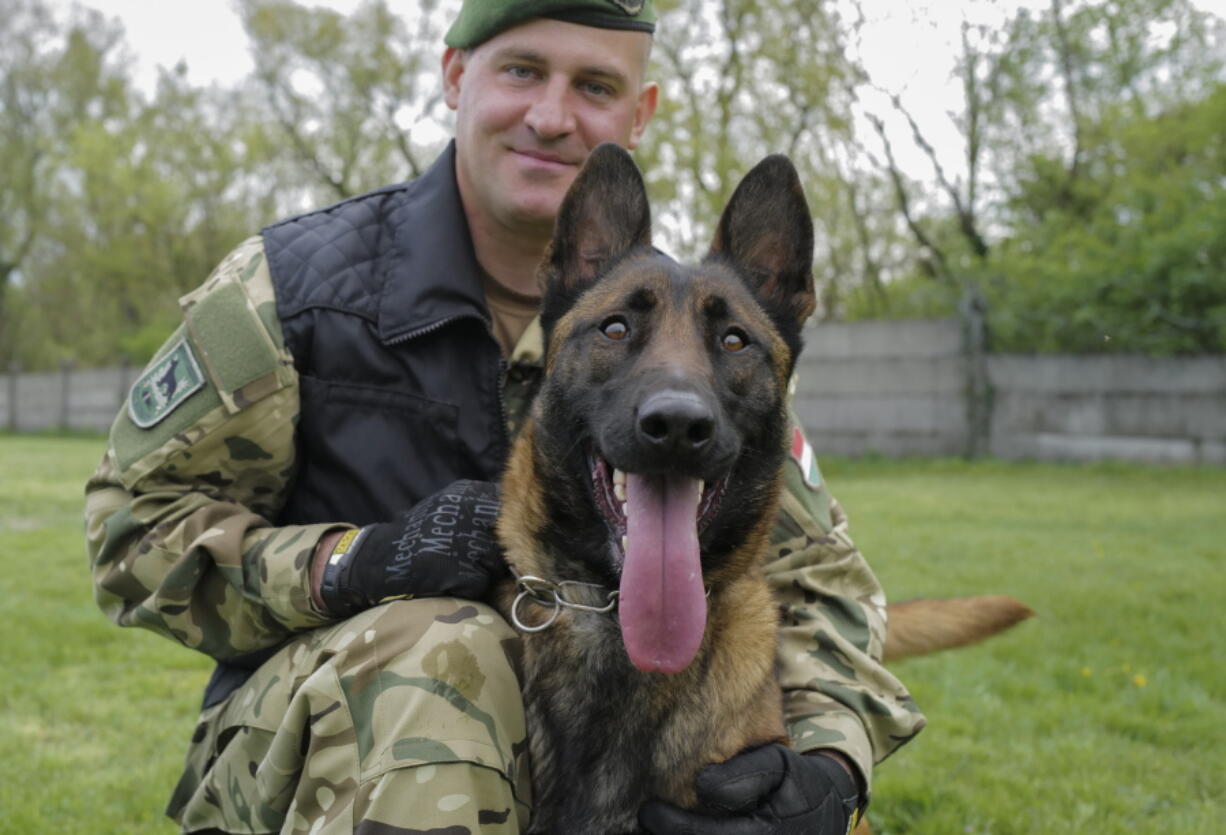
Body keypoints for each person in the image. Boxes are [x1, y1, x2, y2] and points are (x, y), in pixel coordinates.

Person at [84, 1, 925, 832]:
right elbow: (133, 530)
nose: (553, 116)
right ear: (455, 75)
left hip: (591, 735)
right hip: (311, 740)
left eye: (595, 85)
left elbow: (824, 586)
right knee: (448, 650)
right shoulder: (293, 290)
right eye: (523, 70)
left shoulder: (705, 339)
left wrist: (828, 771)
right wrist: (350, 561)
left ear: (640, 112)